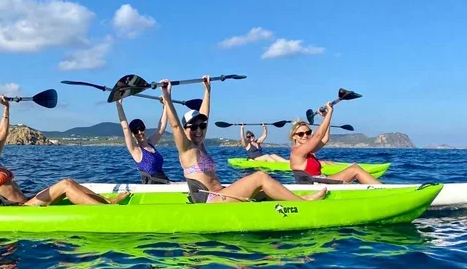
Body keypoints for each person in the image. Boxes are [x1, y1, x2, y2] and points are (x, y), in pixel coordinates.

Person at [159, 77, 327, 203]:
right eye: (193, 127)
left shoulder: (200, 145)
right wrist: (167, 96)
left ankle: (301, 199)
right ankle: (304, 204)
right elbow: (175, 126)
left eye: (201, 126)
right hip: (211, 201)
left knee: (264, 191)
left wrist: (207, 90)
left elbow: (205, 116)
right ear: (185, 129)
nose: (199, 130)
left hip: (222, 193)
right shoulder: (186, 149)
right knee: (260, 177)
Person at [0, 95, 129, 206]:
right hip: (19, 210)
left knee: (69, 181)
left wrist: (6, 108)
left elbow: (2, 133)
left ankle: (106, 201)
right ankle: (106, 211)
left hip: (27, 201)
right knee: (65, 185)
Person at [289, 103, 382, 184]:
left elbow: (324, 139)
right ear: (294, 136)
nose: (305, 135)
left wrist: (326, 117)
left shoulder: (308, 150)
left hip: (320, 182)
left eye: (308, 132)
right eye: (300, 134)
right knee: (355, 169)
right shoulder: (298, 151)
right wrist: (329, 112)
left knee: (354, 168)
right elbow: (318, 136)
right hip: (313, 186)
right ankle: (383, 190)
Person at [116, 98, 170, 183]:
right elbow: (125, 128)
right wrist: (119, 105)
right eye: (135, 131)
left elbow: (161, 128)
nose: (139, 132)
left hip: (164, 182)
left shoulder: (151, 143)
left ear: (145, 129)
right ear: (132, 134)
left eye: (141, 128)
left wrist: (165, 105)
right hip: (152, 187)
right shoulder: (136, 150)